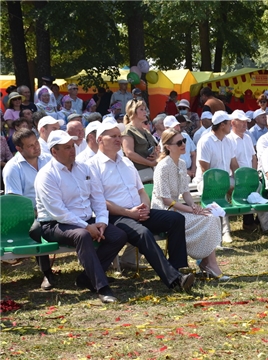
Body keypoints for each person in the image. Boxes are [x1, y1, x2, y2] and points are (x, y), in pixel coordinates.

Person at [87, 122, 195, 292]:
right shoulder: (92, 166)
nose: (118, 139)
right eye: (113, 136)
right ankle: (175, 280)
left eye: (119, 136)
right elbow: (99, 202)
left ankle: (179, 267)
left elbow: (141, 190)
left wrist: (144, 207)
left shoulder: (126, 162)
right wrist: (130, 213)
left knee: (176, 219)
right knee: (143, 234)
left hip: (139, 211)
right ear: (100, 139)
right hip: (116, 216)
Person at [35, 130, 128, 303]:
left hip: (84, 219)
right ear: (54, 152)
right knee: (83, 235)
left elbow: (97, 197)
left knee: (118, 235)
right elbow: (59, 212)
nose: (73, 150)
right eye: (67, 148)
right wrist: (86, 226)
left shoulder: (84, 168)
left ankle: (87, 277)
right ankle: (102, 287)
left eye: (73, 146)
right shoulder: (46, 175)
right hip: (54, 223)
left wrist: (101, 221)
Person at [151, 129, 228, 280]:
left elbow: (185, 192)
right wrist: (191, 210)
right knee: (203, 218)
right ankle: (207, 264)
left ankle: (209, 263)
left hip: (177, 209)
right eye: (179, 142)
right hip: (163, 212)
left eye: (184, 141)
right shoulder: (163, 166)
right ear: (168, 146)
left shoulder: (181, 163)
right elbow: (166, 200)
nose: (183, 144)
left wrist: (194, 206)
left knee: (211, 217)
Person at [193, 111, 239, 243]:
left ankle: (265, 225)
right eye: (229, 123)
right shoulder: (205, 141)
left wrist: (239, 184)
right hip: (207, 182)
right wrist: (224, 186)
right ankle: (225, 232)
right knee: (219, 194)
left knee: (254, 187)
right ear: (222, 125)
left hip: (224, 181)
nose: (231, 125)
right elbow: (204, 170)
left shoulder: (228, 141)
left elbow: (234, 165)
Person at [121, 99, 158, 174]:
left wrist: (156, 156)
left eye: (145, 109)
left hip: (150, 171)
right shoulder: (127, 130)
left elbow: (156, 149)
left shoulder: (146, 131)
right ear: (133, 111)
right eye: (141, 109)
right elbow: (129, 153)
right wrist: (149, 163)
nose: (145, 112)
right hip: (136, 173)